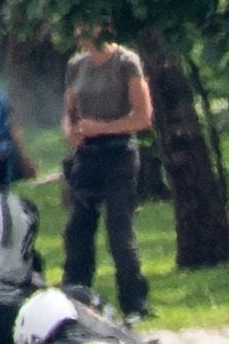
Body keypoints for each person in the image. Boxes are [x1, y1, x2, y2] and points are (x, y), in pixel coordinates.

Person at [53, 24, 155, 315]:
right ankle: (75, 297)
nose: (82, 32)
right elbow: (69, 113)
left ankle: (134, 302)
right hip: (86, 154)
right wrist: (71, 131)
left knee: (119, 230)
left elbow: (142, 118)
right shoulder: (76, 65)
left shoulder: (125, 62)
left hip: (119, 151)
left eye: (88, 26)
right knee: (78, 228)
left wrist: (102, 128)